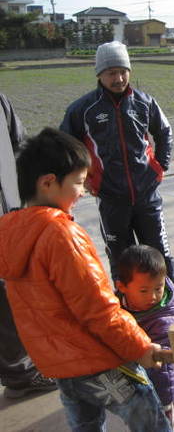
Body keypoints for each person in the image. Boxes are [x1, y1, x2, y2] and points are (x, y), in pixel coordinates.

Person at [0, 128, 173, 431]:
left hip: (60, 367)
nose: (84, 191)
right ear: (48, 182)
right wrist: (141, 348)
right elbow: (98, 308)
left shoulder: (9, 233)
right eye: (79, 182)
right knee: (153, 423)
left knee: (86, 426)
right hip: (99, 363)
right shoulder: (62, 235)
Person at [60, 41, 174, 319]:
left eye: (123, 71)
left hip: (147, 195)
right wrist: (83, 179)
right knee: (120, 258)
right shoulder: (83, 109)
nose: (118, 78)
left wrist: (160, 166)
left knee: (159, 252)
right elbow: (65, 146)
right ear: (99, 75)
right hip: (111, 199)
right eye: (111, 72)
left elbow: (164, 132)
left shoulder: (145, 102)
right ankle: (126, 311)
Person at [0, 93, 57, 399]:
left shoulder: (1, 101)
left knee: (10, 295)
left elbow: (21, 146)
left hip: (7, 216)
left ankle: (21, 372)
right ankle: (19, 373)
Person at [117, 245, 174, 432]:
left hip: (160, 389)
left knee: (165, 424)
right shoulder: (119, 305)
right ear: (122, 287)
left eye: (158, 288)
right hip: (136, 385)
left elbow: (162, 366)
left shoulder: (163, 321)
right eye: (144, 291)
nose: (153, 296)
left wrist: (161, 396)